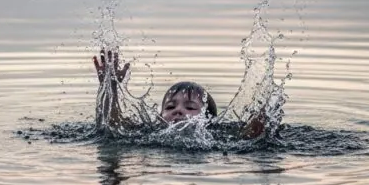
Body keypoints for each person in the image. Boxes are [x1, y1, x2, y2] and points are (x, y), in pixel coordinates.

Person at [93, 49, 265, 139]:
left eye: (190, 107)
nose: (178, 110)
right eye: (170, 106)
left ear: (208, 120)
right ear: (160, 116)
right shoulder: (148, 134)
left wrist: (261, 124)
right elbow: (112, 126)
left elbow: (247, 138)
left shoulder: (218, 136)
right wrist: (111, 86)